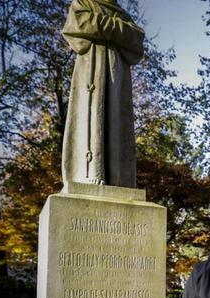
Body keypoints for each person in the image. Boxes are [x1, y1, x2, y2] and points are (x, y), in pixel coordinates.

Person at [61, 0, 144, 187]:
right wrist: (117, 29)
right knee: (90, 118)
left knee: (116, 122)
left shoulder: (121, 13)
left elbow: (137, 39)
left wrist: (100, 26)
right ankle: (87, 172)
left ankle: (117, 179)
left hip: (118, 77)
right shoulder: (83, 3)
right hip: (91, 68)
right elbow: (78, 24)